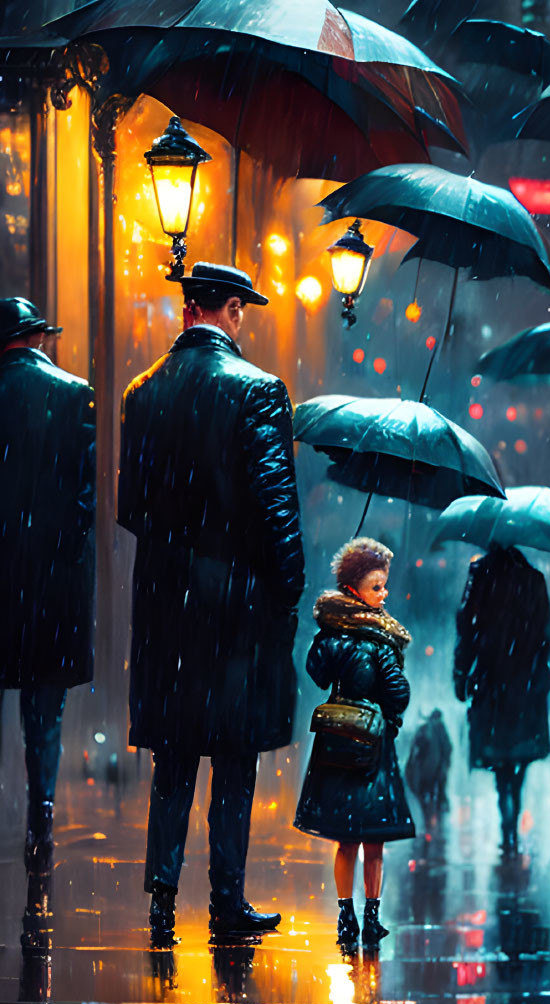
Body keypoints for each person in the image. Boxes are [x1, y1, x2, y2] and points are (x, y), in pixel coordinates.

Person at [119, 263, 304, 943]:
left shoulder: (143, 394)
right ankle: (226, 898)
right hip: (237, 604)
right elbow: (277, 508)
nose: (241, 322)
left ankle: (162, 897)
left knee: (174, 754)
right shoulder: (257, 391)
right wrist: (287, 590)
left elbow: (132, 508)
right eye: (240, 312)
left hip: (167, 602)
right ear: (225, 310)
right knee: (234, 755)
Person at [0, 298, 94, 861]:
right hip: (52, 581)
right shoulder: (72, 393)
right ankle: (42, 812)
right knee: (44, 712)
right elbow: (84, 502)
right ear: (37, 339)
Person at [295, 539, 414, 948]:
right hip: (372, 743)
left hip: (335, 738)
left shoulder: (333, 633)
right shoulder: (381, 639)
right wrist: (390, 716)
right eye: (377, 586)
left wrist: (329, 636)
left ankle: (345, 917)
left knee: (345, 838)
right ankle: (371, 915)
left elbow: (317, 673)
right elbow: (397, 691)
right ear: (354, 589)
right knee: (373, 838)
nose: (384, 594)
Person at [453, 544, 550, 857]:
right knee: (518, 756)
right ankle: (512, 812)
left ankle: (506, 819)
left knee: (500, 758)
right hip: (523, 681)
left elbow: (465, 628)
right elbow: (545, 634)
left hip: (491, 678)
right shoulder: (534, 578)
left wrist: (461, 673)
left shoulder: (481, 575)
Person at [403, 708, 453, 833]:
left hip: (426, 770)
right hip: (435, 770)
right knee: (436, 793)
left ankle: (428, 821)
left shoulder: (424, 729)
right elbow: (448, 748)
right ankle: (434, 821)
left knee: (427, 794)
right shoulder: (439, 728)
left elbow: (415, 750)